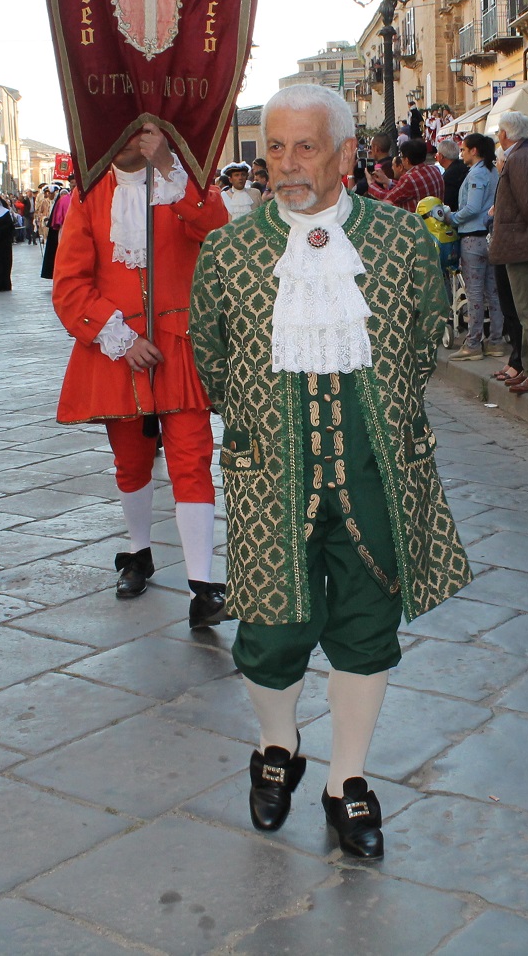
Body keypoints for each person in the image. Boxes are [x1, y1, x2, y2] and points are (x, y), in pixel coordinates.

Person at [190, 84, 472, 860]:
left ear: (347, 154)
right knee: (271, 629)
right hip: (266, 474)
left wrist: (372, 414)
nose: (284, 164)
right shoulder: (228, 250)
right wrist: (256, 419)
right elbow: (208, 355)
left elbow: (425, 338)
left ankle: (346, 779)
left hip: (378, 470)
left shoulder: (400, 241)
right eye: (273, 147)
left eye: (304, 146)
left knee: (365, 623)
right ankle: (276, 748)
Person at [51, 123, 229, 624]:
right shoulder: (88, 199)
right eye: (123, 126)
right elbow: (69, 286)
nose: (133, 136)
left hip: (180, 348)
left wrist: (172, 168)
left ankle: (202, 584)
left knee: (193, 460)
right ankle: (139, 552)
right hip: (118, 353)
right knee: (130, 462)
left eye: (145, 127)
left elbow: (215, 228)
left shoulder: (181, 186)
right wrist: (122, 339)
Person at [489, 111, 528, 395]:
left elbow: (527, 205)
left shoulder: (519, 158)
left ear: (505, 134)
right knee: (527, 310)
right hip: (525, 243)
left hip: (522, 244)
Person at [443, 133, 501, 361]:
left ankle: (474, 342)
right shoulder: (492, 171)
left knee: (475, 293)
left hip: (473, 238)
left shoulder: (477, 173)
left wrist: (452, 217)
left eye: (464, 149)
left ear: (474, 150)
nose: (462, 153)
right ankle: (495, 339)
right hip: (489, 236)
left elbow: (473, 207)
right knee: (492, 291)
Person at [374, 139, 442, 214]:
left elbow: (387, 198)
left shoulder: (409, 179)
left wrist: (371, 183)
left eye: (401, 156)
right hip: (437, 218)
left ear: (406, 160)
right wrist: (388, 181)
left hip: (417, 222)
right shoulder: (435, 169)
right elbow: (408, 189)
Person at [437, 139, 468, 211]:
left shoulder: (448, 177)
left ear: (441, 156)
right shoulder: (463, 164)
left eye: (437, 153)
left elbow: (449, 204)